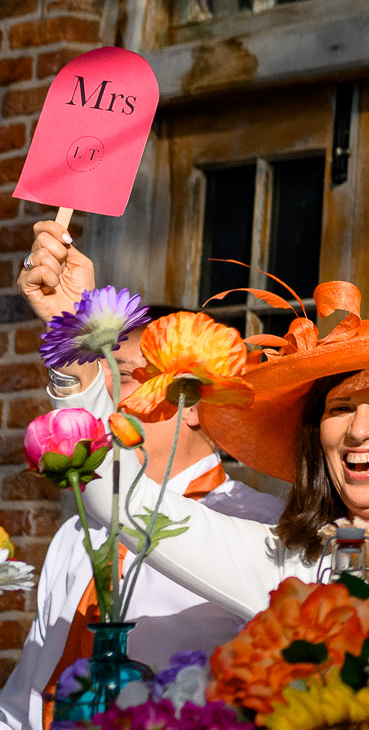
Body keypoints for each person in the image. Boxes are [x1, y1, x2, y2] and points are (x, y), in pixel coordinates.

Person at [17, 238, 369, 646]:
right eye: (339, 409)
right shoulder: (291, 566)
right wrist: (75, 338)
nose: (359, 430)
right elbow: (120, 499)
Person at [2, 225, 283, 730]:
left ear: (196, 401)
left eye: (127, 373)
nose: (103, 385)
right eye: (98, 367)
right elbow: (23, 699)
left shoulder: (262, 530)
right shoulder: (75, 536)